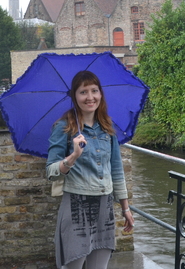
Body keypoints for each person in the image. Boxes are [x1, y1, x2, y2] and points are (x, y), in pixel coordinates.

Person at [46, 70, 135, 269]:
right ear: (74, 96)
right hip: (76, 206)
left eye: (94, 90)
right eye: (83, 92)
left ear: (100, 94)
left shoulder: (107, 128)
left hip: (104, 206)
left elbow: (117, 170)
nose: (90, 97)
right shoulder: (63, 128)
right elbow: (51, 172)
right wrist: (73, 156)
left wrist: (125, 208)